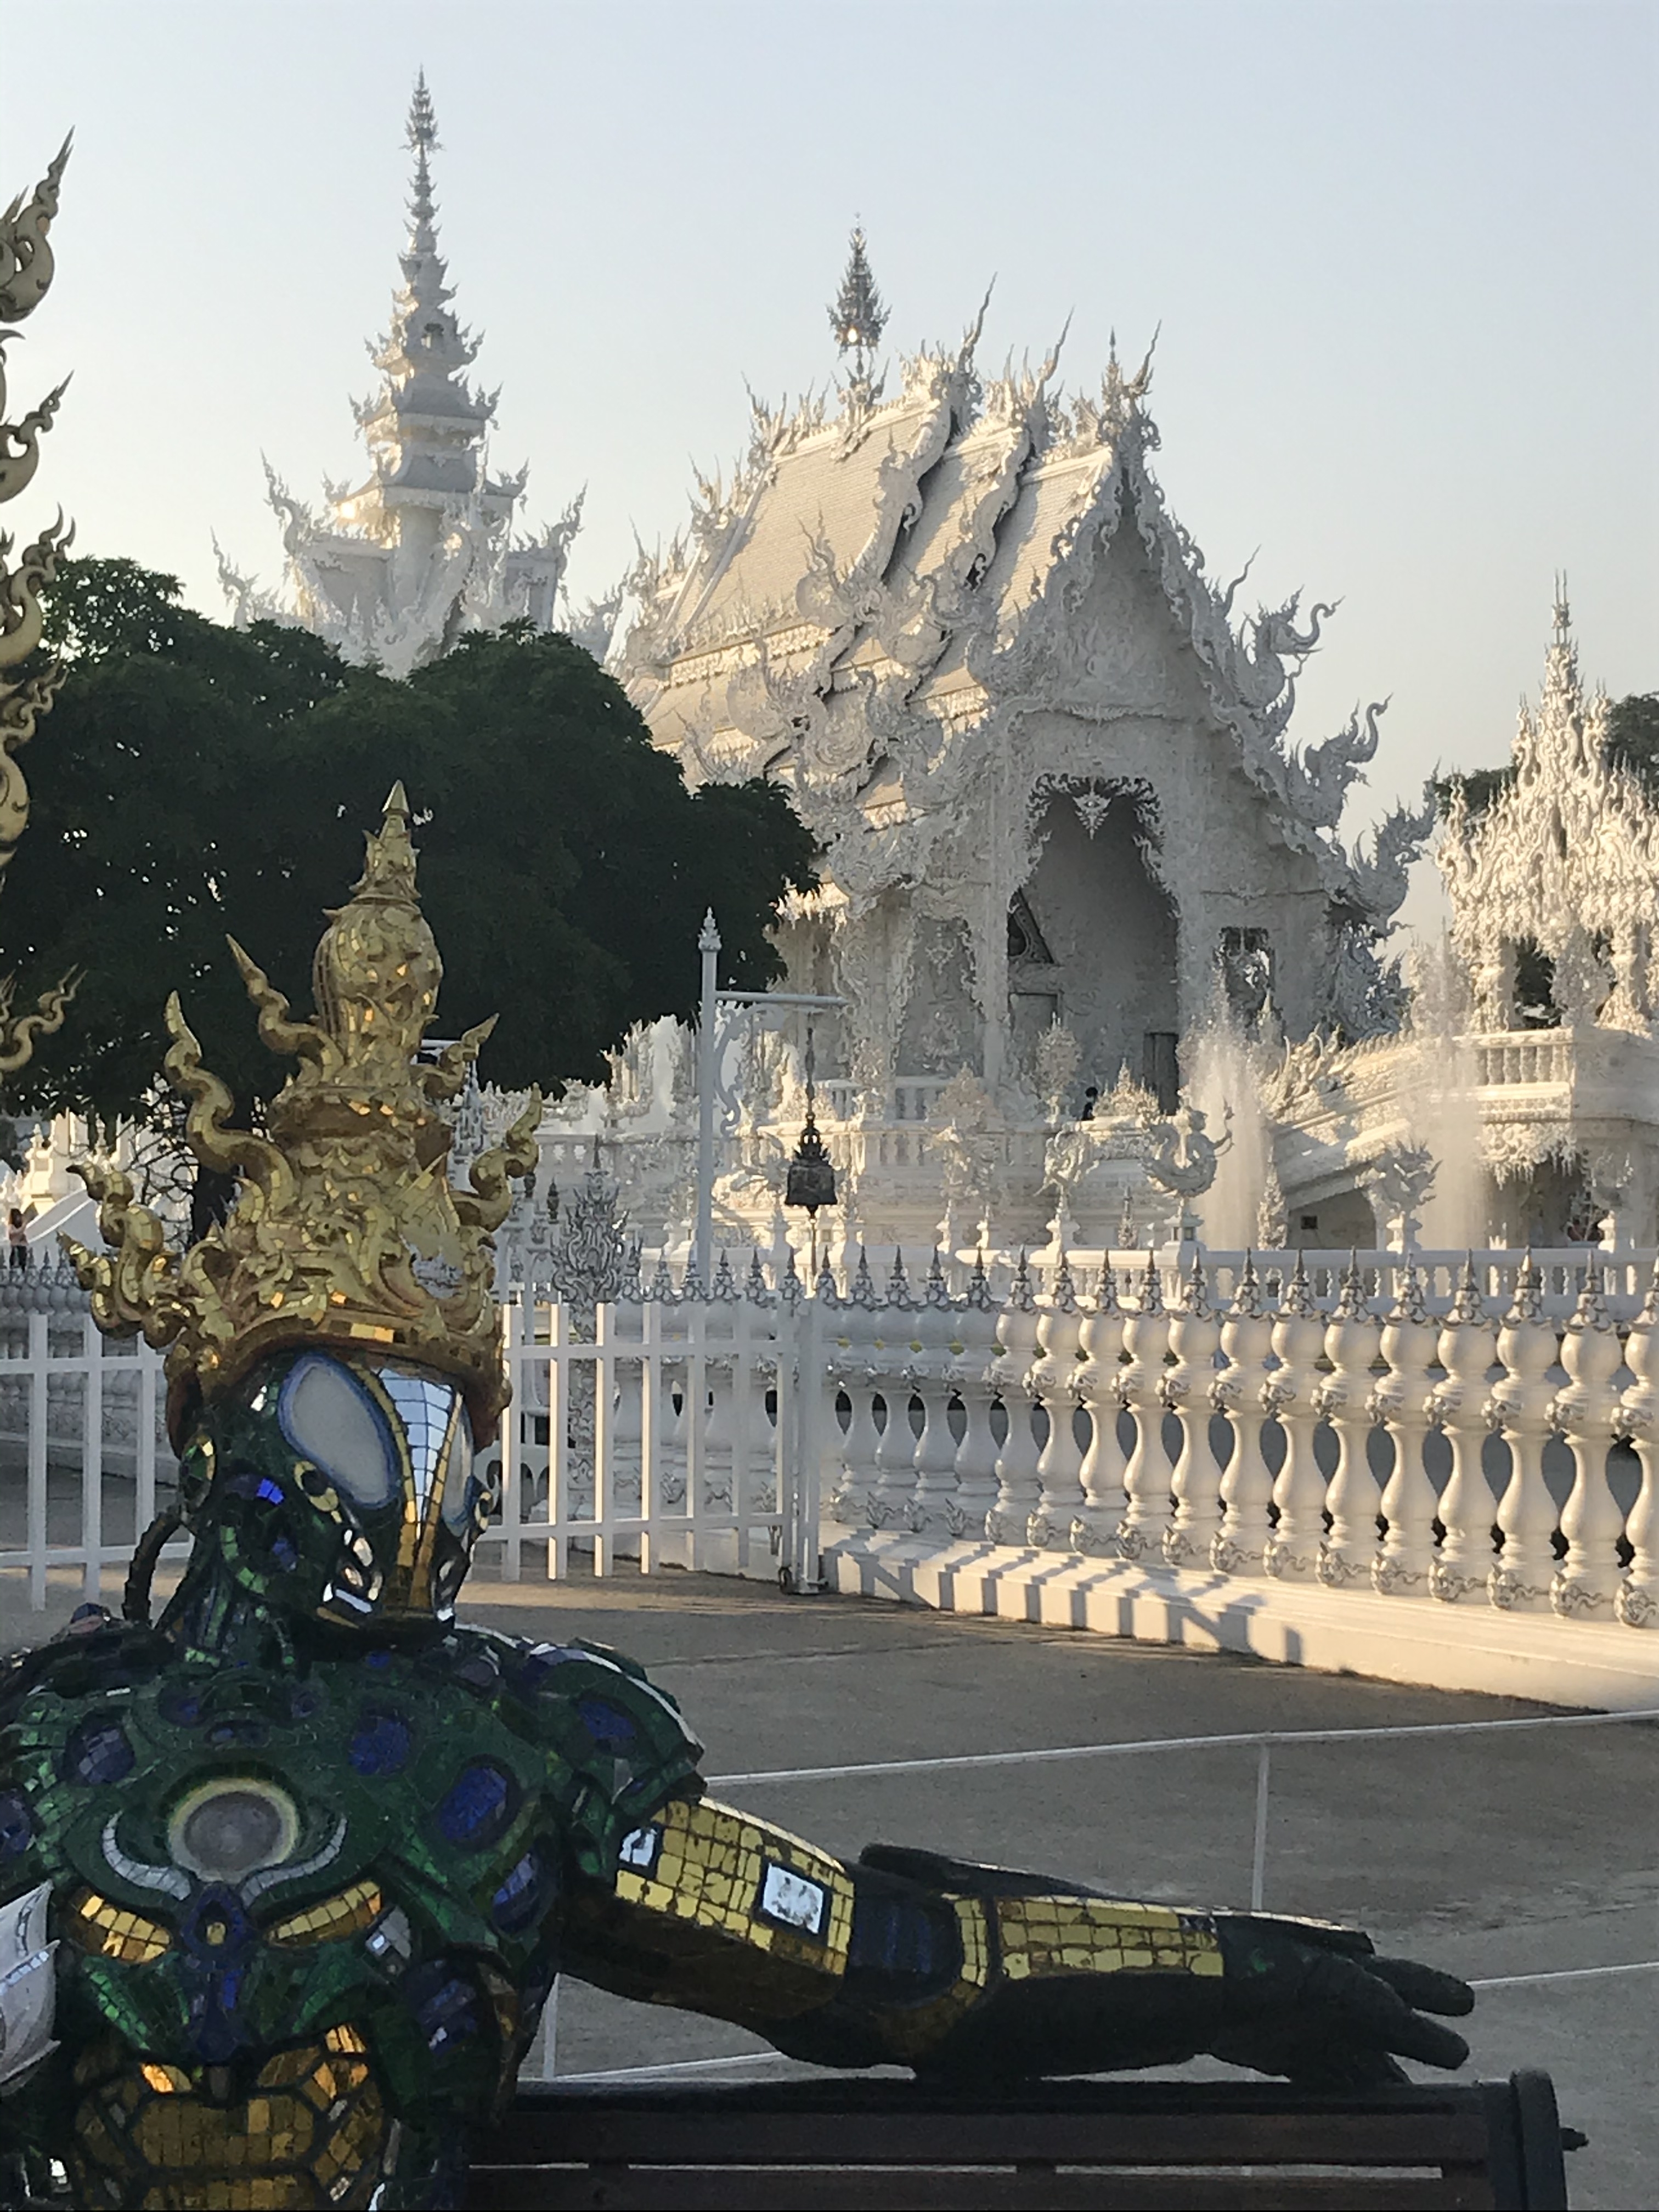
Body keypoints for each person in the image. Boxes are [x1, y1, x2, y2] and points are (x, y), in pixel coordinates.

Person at [0, 792, 1473, 2212]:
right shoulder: (46, 1757)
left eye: (445, 1431)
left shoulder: (515, 1762)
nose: (416, 1487)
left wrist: (1220, 1970)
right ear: (219, 1429)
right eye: (355, 1418)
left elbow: (891, 1960)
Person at [5, 1207, 27, 1271]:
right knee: (16, 1262)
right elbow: (13, 1233)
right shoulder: (11, 1226)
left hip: (22, 1247)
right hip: (16, 1246)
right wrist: (23, 1228)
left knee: (23, 1262)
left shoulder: (19, 1227)